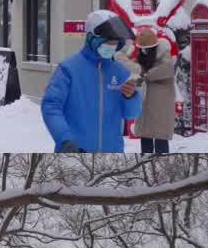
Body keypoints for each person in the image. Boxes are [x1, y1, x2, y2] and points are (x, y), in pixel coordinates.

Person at [41, 10, 142, 152]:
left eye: (115, 42)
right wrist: (65, 139)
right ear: (92, 38)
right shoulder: (68, 69)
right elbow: (51, 106)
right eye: (108, 41)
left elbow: (132, 114)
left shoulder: (121, 71)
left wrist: (131, 97)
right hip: (74, 149)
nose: (112, 46)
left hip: (112, 151)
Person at [131, 26, 175, 154]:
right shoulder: (142, 59)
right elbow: (132, 68)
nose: (143, 51)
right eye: (141, 49)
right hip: (145, 105)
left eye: (145, 49)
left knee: (161, 142)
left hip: (160, 107)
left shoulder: (164, 57)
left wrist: (145, 75)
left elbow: (167, 69)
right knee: (145, 140)